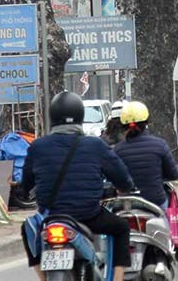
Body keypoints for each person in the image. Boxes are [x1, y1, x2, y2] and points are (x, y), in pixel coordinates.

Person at [21, 92, 135, 281]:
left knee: (27, 229)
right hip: (88, 215)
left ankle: (42, 278)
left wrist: (27, 191)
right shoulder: (95, 145)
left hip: (50, 217)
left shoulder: (38, 146)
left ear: (53, 117)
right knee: (121, 227)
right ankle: (117, 277)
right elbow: (122, 178)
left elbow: (26, 185)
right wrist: (125, 187)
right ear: (81, 116)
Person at [114, 101, 178, 210]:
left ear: (123, 126)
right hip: (155, 202)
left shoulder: (117, 150)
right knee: (166, 222)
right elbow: (173, 174)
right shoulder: (160, 145)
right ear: (146, 122)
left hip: (127, 204)